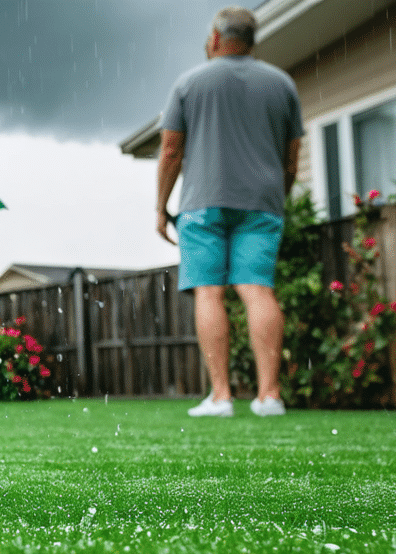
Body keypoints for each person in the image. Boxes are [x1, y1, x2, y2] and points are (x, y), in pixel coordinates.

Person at [156, 6, 303, 417]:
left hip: (202, 203)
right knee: (257, 289)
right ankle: (269, 396)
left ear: (216, 39)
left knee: (209, 291)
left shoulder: (189, 83)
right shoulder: (282, 84)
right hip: (262, 204)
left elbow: (171, 151)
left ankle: (221, 396)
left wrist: (160, 207)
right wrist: (277, 196)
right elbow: (292, 158)